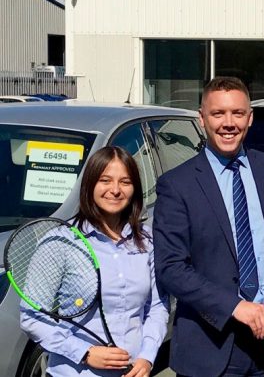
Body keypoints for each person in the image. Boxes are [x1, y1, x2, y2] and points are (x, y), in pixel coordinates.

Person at [153, 77, 264, 377]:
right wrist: (234, 306)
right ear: (202, 119)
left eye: (237, 113)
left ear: (250, 118)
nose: (229, 123)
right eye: (218, 114)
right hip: (213, 347)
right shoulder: (177, 185)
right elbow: (170, 268)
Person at [20, 146, 169, 377]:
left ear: (135, 189)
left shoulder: (147, 242)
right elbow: (32, 316)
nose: (115, 190)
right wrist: (85, 352)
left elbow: (157, 306)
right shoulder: (61, 241)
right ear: (90, 185)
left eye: (125, 182)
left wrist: (147, 357)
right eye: (105, 180)